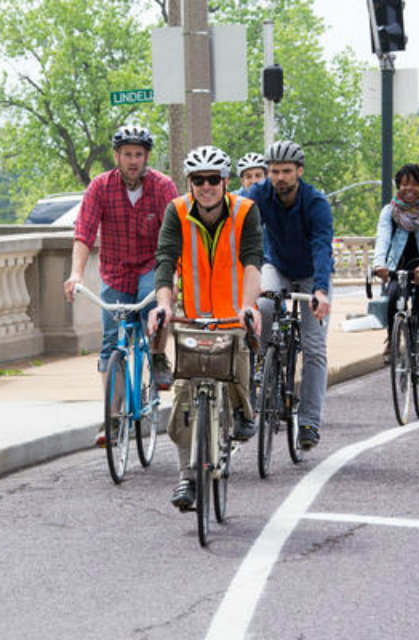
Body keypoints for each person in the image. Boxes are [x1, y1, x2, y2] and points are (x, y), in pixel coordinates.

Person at [147, 145, 264, 510]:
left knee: (237, 361)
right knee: (184, 397)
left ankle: (244, 410)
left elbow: (252, 261)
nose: (207, 186)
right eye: (199, 180)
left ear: (225, 181)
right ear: (190, 182)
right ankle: (186, 478)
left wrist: (248, 306)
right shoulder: (177, 211)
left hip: (232, 316)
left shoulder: (245, 210)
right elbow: (165, 260)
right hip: (193, 318)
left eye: (214, 179)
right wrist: (164, 306)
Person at [63, 125, 179, 445]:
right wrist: (75, 274)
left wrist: (174, 276)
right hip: (114, 272)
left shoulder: (162, 187)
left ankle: (156, 356)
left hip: (150, 268)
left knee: (154, 308)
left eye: (138, 154)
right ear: (117, 156)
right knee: (111, 346)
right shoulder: (100, 187)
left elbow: (176, 234)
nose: (132, 160)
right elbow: (84, 233)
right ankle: (112, 421)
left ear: (146, 157)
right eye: (127, 154)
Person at [248, 140, 333, 451]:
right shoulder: (259, 194)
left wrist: (321, 291)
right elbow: (232, 211)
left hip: (312, 273)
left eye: (285, 171)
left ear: (299, 171)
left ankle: (309, 421)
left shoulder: (315, 203)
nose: (279, 177)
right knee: (265, 306)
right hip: (277, 265)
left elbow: (323, 247)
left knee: (313, 347)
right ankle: (264, 367)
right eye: (273, 172)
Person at [373, 163, 419, 400]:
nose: (408, 189)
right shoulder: (390, 211)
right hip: (399, 267)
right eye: (404, 184)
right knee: (392, 297)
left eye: (414, 184)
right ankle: (392, 340)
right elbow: (382, 237)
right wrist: (379, 264)